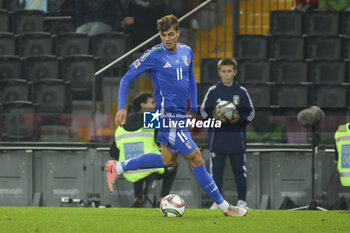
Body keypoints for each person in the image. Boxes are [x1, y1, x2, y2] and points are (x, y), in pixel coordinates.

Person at [105, 14, 247, 217]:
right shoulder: (153, 55)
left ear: (178, 33)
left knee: (168, 160)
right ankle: (225, 207)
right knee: (196, 156)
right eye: (163, 35)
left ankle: (117, 167)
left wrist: (193, 110)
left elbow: (191, 80)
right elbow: (127, 77)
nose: (167, 39)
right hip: (166, 117)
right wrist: (121, 107)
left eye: (170, 34)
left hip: (181, 116)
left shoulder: (187, 51)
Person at [200, 58, 255, 210]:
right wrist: (215, 117)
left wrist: (238, 119)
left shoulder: (241, 92)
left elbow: (251, 114)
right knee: (216, 173)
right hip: (217, 141)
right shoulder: (213, 91)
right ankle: (217, 201)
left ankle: (242, 201)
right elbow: (203, 112)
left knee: (239, 172)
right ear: (219, 73)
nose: (226, 74)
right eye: (223, 71)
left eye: (229, 71)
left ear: (235, 72)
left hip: (237, 141)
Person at [109, 92, 177, 207]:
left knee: (135, 160)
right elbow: (162, 141)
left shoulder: (123, 123)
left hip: (129, 172)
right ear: (143, 105)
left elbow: (113, 151)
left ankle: (138, 199)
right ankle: (163, 199)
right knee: (172, 164)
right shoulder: (151, 118)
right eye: (152, 102)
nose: (155, 105)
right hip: (151, 169)